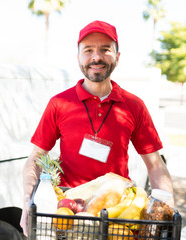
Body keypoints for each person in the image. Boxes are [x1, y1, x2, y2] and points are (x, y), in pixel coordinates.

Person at [20, 20, 174, 236]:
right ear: (78, 57)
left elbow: (155, 165)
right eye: (88, 50)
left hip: (117, 219)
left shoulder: (134, 106)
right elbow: (35, 158)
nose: (96, 57)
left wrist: (167, 208)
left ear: (117, 57)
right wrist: (28, 200)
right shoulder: (59, 104)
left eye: (105, 49)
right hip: (68, 215)